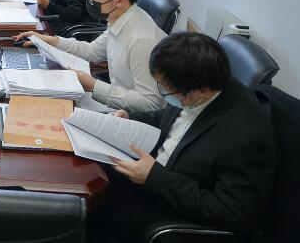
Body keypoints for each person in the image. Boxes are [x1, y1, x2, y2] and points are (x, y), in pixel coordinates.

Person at [88, 33, 277, 242]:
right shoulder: (199, 82)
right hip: (152, 175)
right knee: (86, 166)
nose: (164, 93)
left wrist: (155, 177)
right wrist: (131, 117)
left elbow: (234, 215)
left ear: (202, 90)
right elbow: (166, 117)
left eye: (167, 90)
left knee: (81, 209)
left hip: (168, 211)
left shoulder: (247, 138)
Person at [15, 0, 165, 111]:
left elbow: (151, 103)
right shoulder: (120, 18)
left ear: (119, 0)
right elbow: (92, 51)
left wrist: (93, 85)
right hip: (117, 102)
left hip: (130, 116)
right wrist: (50, 41)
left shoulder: (141, 40)